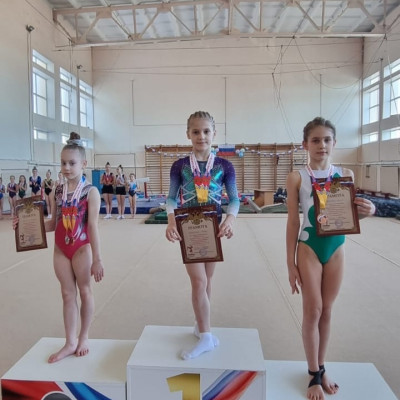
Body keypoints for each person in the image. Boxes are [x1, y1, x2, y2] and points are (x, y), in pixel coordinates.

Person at [285, 117, 376, 400]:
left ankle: (322, 368)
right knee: (312, 310)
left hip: (336, 248)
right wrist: (290, 263)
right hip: (309, 247)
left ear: (334, 143)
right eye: (315, 140)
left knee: (327, 311)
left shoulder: (345, 174)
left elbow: (347, 215)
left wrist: (368, 211)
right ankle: (313, 374)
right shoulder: (297, 177)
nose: (321, 145)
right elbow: (293, 221)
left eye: (327, 140)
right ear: (305, 144)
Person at [13, 132, 104, 363]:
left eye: (72, 163)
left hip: (82, 247)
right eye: (63, 163)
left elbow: (92, 226)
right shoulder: (57, 191)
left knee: (85, 291)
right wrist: (24, 225)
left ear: (83, 164)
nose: (66, 168)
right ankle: (70, 341)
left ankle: (83, 337)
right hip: (61, 249)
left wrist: (97, 259)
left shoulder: (91, 192)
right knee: (67, 294)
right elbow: (53, 223)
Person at [165, 111, 240, 360]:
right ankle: (207, 335)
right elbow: (171, 198)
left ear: (214, 133)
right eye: (196, 131)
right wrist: (171, 221)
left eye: (206, 131)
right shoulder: (180, 166)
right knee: (198, 281)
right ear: (188, 134)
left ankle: (201, 325)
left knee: (207, 281)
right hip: (189, 228)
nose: (201, 136)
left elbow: (235, 200)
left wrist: (229, 220)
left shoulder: (225, 166)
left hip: (213, 227)